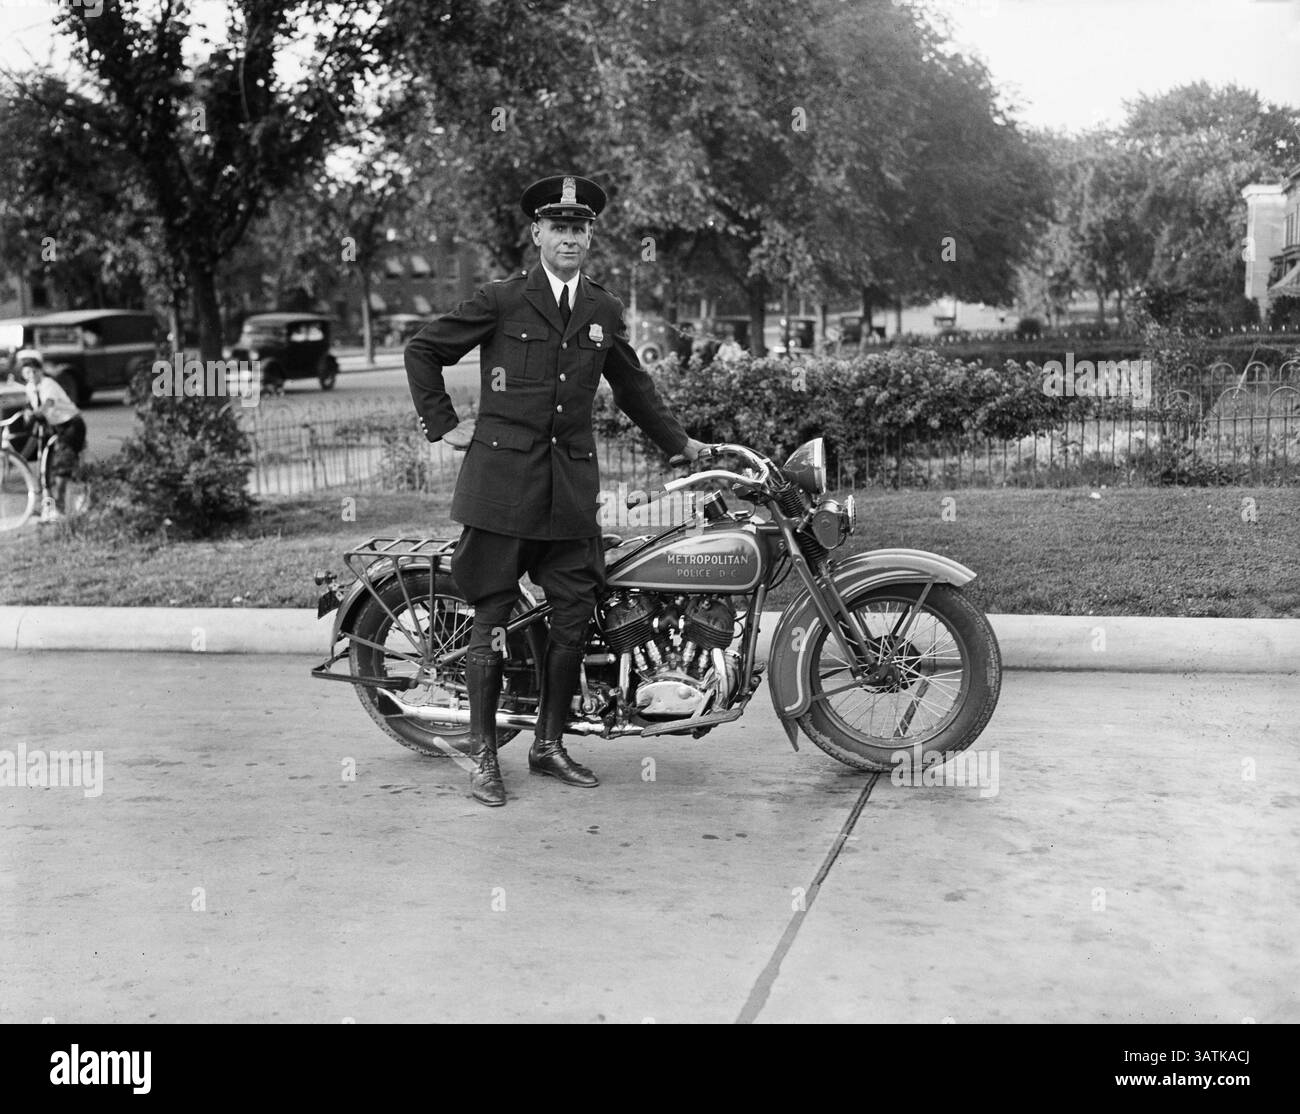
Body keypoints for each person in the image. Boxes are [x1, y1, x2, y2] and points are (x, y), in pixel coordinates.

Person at [406, 174, 705, 808]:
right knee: (489, 618)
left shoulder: (601, 307)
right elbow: (423, 349)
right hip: (502, 486)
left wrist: (680, 444)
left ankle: (547, 745)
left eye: (580, 228)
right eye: (558, 226)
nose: (569, 236)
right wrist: (445, 427)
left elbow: (632, 386)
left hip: (570, 489)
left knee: (573, 618)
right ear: (537, 233)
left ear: (589, 236)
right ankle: (484, 756)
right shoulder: (502, 299)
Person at [14, 349, 86, 522]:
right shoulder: (30, 388)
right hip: (54, 427)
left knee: (61, 467)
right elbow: (31, 407)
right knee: (44, 468)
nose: (31, 375)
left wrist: (37, 413)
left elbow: (48, 404)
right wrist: (27, 413)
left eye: (34, 371)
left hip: (71, 425)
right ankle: (47, 506)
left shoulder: (48, 384)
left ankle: (60, 508)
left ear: (40, 371)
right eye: (27, 372)